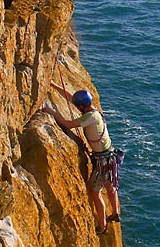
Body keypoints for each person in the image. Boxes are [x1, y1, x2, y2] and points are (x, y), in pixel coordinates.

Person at [42, 85, 121, 235]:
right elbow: (70, 97)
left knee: (95, 192)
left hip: (102, 160)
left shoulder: (89, 117)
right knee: (111, 186)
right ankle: (115, 212)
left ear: (81, 106)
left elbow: (67, 124)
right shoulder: (94, 110)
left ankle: (103, 226)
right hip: (110, 155)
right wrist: (52, 84)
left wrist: (50, 111)